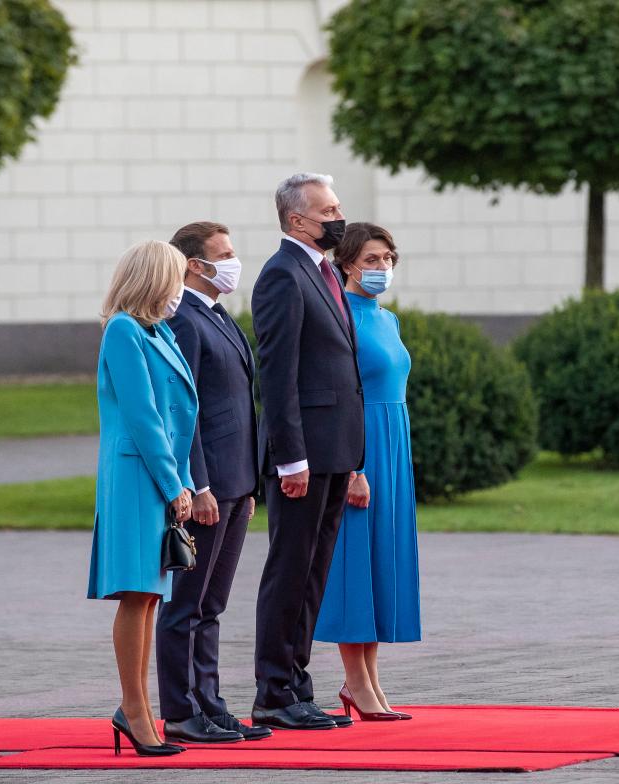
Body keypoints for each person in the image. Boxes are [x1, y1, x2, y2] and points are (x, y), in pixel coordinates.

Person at [249, 173, 365, 731]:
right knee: (290, 570)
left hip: (333, 448)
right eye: (330, 210)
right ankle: (273, 691)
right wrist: (289, 456)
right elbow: (278, 373)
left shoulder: (321, 272)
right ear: (298, 220)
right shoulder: (282, 275)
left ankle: (296, 685)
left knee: (314, 572)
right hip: (303, 454)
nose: (338, 218)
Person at [154, 222, 271, 744]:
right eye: (222, 255)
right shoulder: (183, 318)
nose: (232, 262)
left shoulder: (217, 314)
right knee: (187, 603)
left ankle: (210, 701)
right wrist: (198, 484)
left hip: (235, 481)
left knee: (213, 604)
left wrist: (247, 485)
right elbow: (187, 412)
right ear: (194, 265)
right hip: (208, 485)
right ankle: (181, 710)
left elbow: (238, 407)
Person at [87, 240, 196, 757]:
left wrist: (187, 480)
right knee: (138, 593)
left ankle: (137, 708)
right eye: (176, 278)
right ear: (155, 278)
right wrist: (173, 483)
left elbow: (179, 416)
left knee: (151, 596)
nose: (181, 289)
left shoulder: (159, 331)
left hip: (161, 475)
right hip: (137, 478)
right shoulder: (124, 331)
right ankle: (134, 709)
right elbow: (144, 416)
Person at [314, 223, 421, 722]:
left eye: (388, 259)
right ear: (347, 263)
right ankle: (355, 681)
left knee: (380, 561)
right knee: (354, 560)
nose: (383, 268)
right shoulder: (340, 319)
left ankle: (370, 679)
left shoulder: (388, 318)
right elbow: (343, 397)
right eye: (373, 260)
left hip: (393, 446)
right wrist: (354, 466)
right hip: (360, 448)